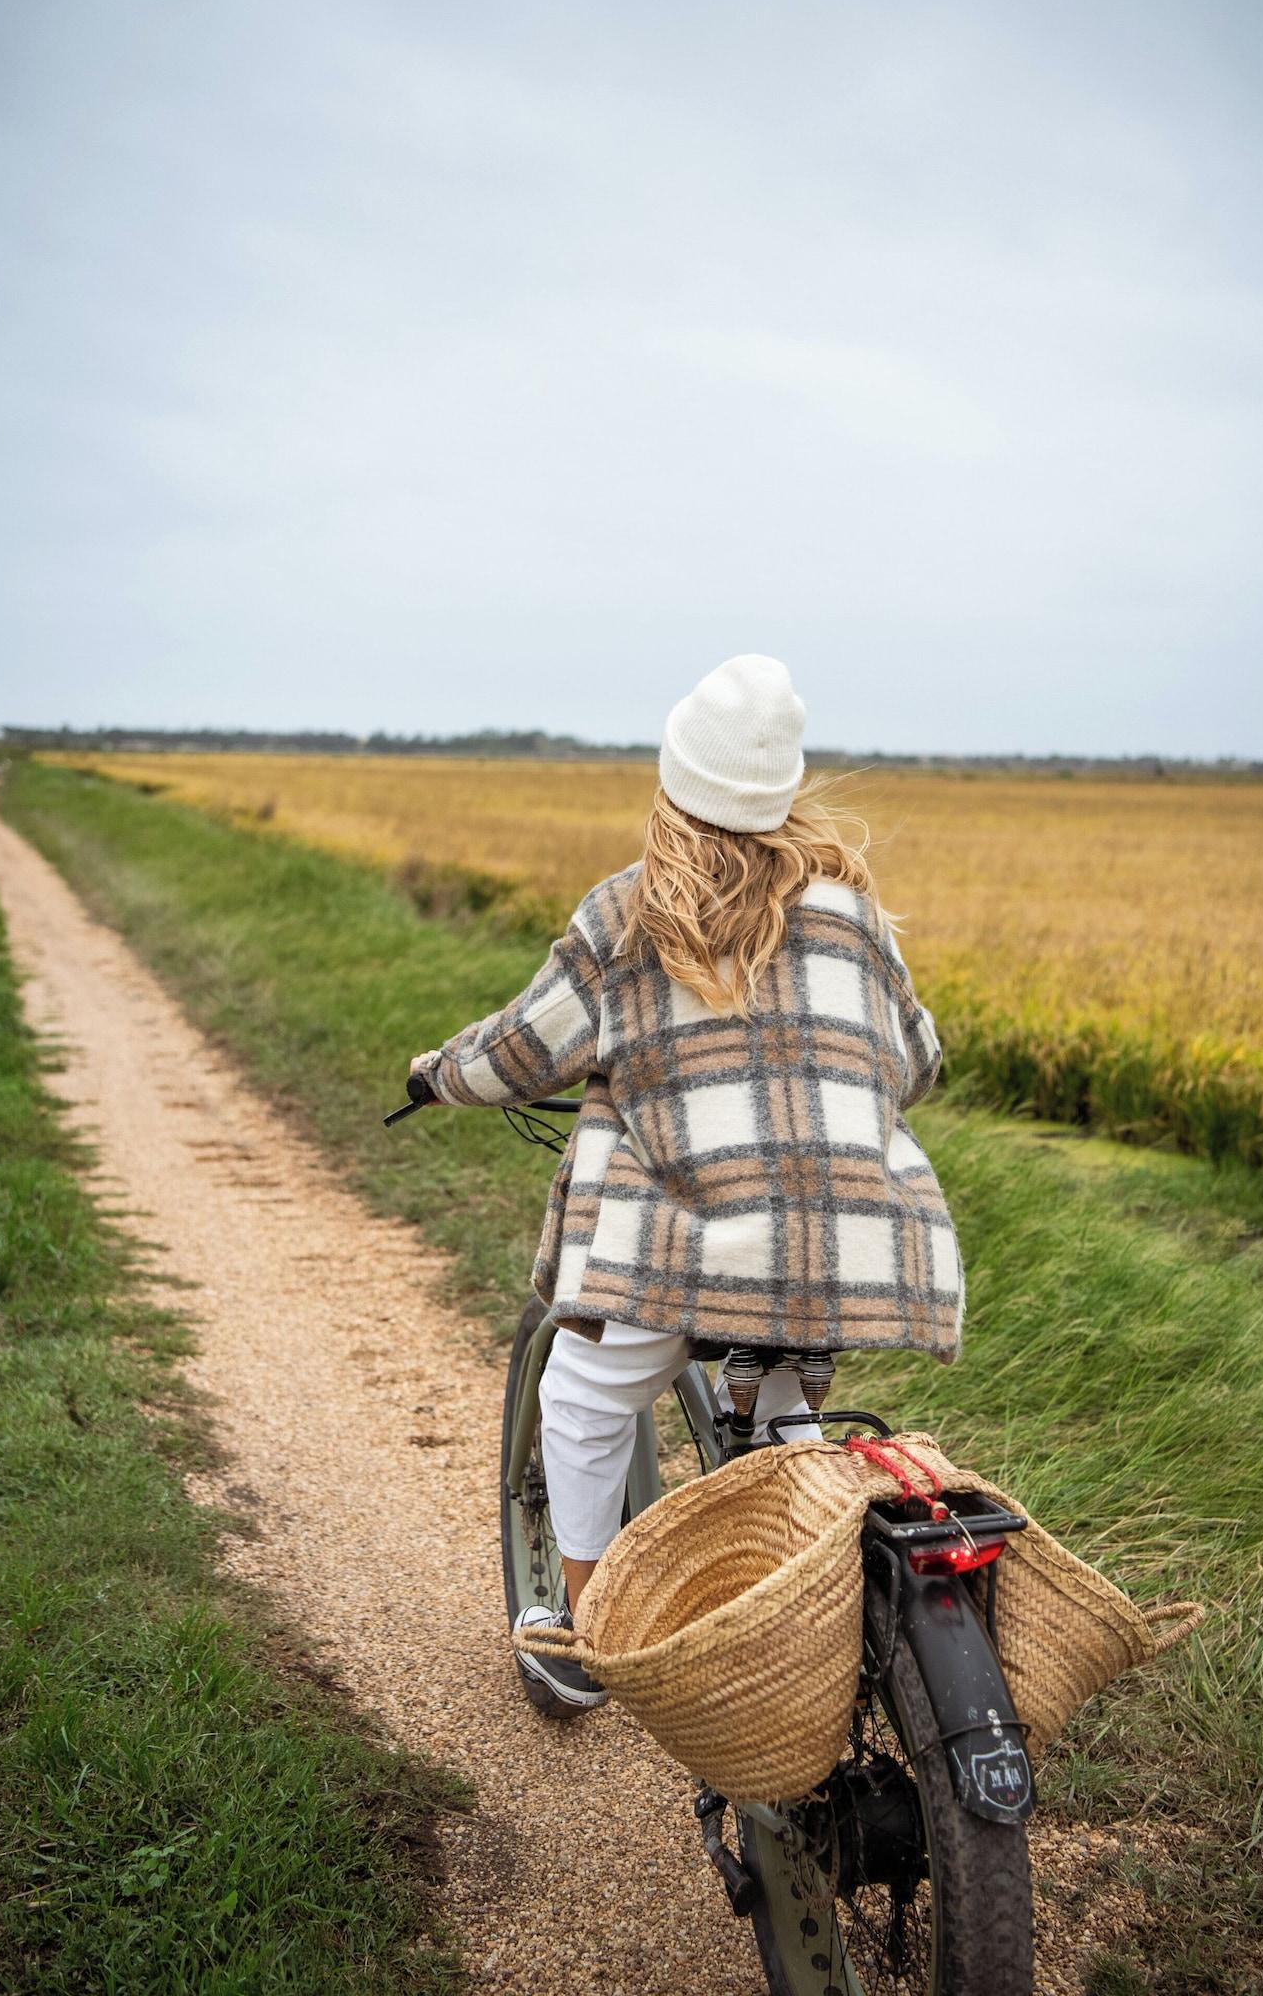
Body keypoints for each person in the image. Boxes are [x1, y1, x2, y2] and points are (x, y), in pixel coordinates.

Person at [410, 654, 962, 1710]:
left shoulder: (624, 917)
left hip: (695, 1246)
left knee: (580, 1395)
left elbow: (521, 1053)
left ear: (672, 781)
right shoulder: (856, 913)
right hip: (847, 1246)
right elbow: (918, 1061)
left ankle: (583, 1634)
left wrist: (435, 1075)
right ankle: (814, 1622)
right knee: (789, 1418)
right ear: (786, 791)